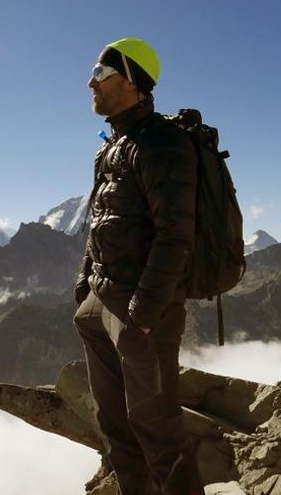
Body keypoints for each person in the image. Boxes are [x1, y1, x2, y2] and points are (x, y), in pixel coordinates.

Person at [73, 38, 203, 495]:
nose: (91, 81)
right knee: (118, 433)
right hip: (100, 305)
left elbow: (175, 236)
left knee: (159, 433)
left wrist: (143, 316)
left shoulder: (162, 142)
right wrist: (85, 286)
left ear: (131, 83)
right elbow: (101, 222)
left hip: (140, 314)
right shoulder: (114, 146)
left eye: (101, 73)